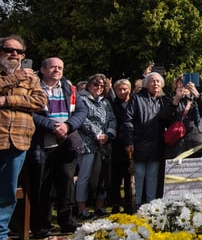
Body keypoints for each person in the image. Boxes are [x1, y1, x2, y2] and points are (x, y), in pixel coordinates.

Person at [0, 35, 46, 240]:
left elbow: (40, 101)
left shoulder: (31, 78)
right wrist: (13, 79)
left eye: (19, 52)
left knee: (6, 191)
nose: (15, 55)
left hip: (18, 140)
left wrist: (7, 100)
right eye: (10, 50)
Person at [29, 57, 88, 237]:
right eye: (53, 67)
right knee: (42, 185)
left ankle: (67, 222)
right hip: (42, 144)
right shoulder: (33, 88)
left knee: (66, 183)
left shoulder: (69, 88)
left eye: (60, 67)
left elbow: (81, 111)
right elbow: (30, 113)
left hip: (66, 144)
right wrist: (53, 126)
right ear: (43, 69)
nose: (57, 70)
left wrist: (68, 126)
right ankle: (41, 225)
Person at [122, 72, 176, 206]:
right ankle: (137, 205)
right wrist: (129, 141)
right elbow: (127, 121)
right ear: (146, 84)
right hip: (139, 144)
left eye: (158, 81)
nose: (155, 83)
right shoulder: (136, 98)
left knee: (153, 177)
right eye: (152, 81)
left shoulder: (164, 100)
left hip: (157, 145)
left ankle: (151, 207)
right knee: (138, 176)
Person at [75, 74, 116, 220]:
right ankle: (81, 209)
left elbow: (112, 119)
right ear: (89, 85)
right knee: (85, 176)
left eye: (102, 86)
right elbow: (81, 119)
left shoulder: (105, 102)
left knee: (102, 177)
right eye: (95, 85)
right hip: (87, 143)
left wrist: (107, 135)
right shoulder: (81, 99)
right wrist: (97, 134)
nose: (98, 88)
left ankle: (99, 207)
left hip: (104, 144)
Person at [165, 74, 202, 159]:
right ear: (176, 85)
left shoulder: (199, 97)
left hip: (197, 141)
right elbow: (165, 117)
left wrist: (196, 95)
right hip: (178, 142)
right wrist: (176, 99)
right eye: (180, 83)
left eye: (186, 83)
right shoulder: (171, 100)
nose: (184, 86)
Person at [108, 78, 133, 213]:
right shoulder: (112, 104)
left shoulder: (133, 103)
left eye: (125, 89)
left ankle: (129, 202)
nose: (123, 92)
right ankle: (116, 203)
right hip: (117, 145)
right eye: (120, 90)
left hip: (131, 144)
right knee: (116, 177)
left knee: (130, 176)